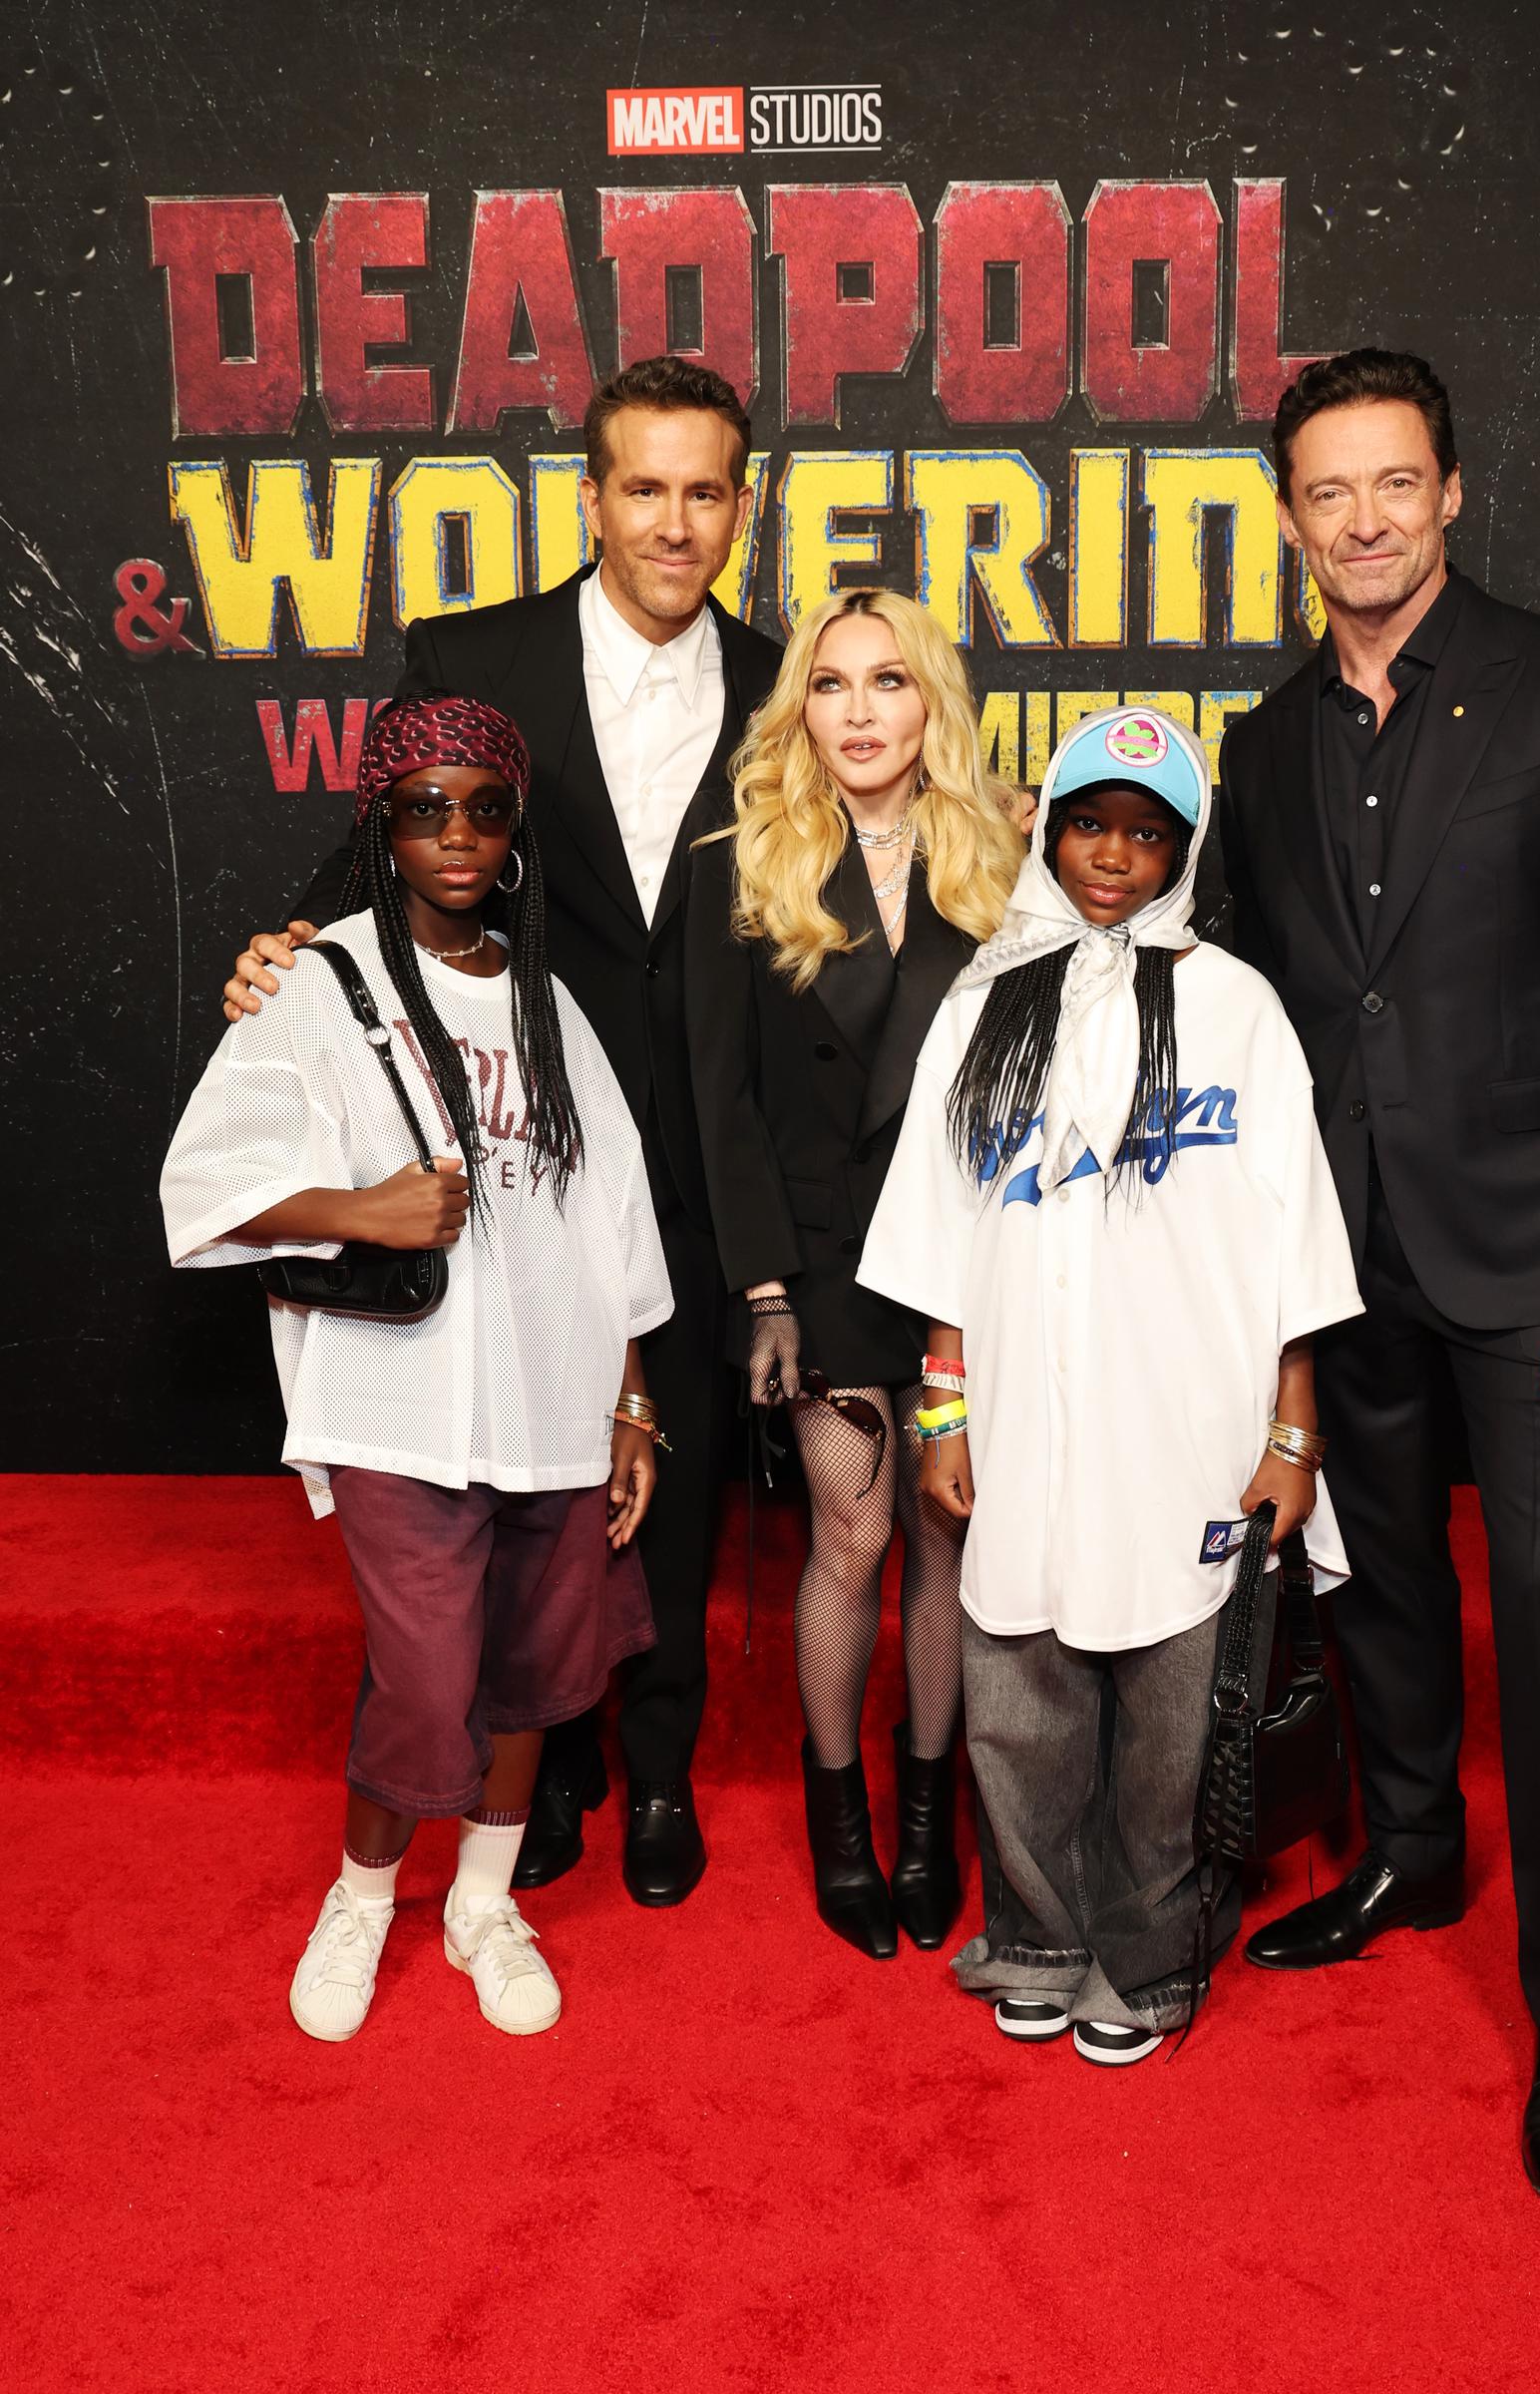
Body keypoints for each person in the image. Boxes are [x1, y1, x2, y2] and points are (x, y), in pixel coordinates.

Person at [1206, 349, 1540, 2198]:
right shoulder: (1257, 750)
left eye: (1392, 484)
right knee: (1386, 1580)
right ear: (1287, 517)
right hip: (1345, 1257)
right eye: (1326, 493)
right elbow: (1254, 1020)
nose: (1361, 520)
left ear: (1451, 493)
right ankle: (1413, 1852)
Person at [221, 357, 784, 1906]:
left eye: (705, 491)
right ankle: (543, 1778)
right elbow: (388, 844)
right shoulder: (475, 653)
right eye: (645, 488)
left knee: (667, 1464)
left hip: (701, 1147)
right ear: (591, 496)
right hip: (519, 1138)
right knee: (518, 1476)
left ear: (741, 504)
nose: (675, 522)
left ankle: (657, 1772)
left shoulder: (783, 676)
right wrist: (287, 948)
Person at [162, 693, 673, 2041]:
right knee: (429, 1676)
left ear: (514, 833)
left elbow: (609, 1212)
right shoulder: (319, 980)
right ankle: (363, 1894)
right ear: (379, 825)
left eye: (484, 807)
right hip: (397, 1399)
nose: (456, 833)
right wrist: (359, 1207)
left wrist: (629, 1396)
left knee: (530, 1674)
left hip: (555, 1395)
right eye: (423, 807)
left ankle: (483, 1903)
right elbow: (201, 1187)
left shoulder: (547, 995)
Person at [859, 705, 1362, 2062]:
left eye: (1147, 835)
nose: (1113, 857)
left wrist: (1289, 1432)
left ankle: (1144, 1956)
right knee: (1018, 1692)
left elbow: (1296, 1242)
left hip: (1187, 1412)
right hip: (1020, 1402)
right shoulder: (984, 999)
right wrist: (945, 1407)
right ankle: (1035, 1933)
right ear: (1049, 826)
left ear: (1182, 851)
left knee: (1167, 1716)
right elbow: (940, 1228)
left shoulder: (1234, 1006)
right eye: (1090, 823)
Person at [685, 589, 1025, 1959]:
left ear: (928, 699)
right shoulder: (743, 856)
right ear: (799, 709)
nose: (862, 711)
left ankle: (931, 1816)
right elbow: (721, 1100)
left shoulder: (1001, 855)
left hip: (964, 1262)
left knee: (950, 1536)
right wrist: (761, 1286)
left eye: (889, 682)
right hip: (819, 1261)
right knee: (853, 1534)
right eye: (831, 686)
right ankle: (840, 1820)